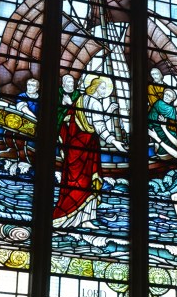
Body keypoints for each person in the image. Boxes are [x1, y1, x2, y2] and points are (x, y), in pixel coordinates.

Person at [53, 76, 126, 230]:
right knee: (85, 182)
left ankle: (82, 218)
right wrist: (114, 142)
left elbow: (89, 120)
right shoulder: (94, 102)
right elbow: (99, 126)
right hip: (86, 147)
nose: (104, 91)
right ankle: (83, 218)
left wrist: (108, 112)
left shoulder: (81, 99)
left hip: (74, 146)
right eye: (102, 87)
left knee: (75, 182)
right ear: (95, 87)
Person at [0, 77, 40, 173]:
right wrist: (35, 120)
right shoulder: (22, 95)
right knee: (0, 132)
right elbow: (24, 109)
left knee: (22, 139)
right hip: (21, 124)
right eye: (28, 85)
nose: (30, 87)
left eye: (33, 86)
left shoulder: (41, 99)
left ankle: (24, 159)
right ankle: (10, 154)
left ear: (37, 88)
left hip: (35, 128)